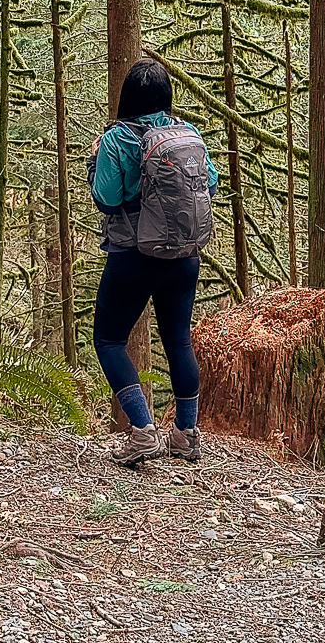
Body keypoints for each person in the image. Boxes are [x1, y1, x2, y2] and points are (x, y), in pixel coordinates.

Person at [86, 58, 218, 465]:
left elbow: (107, 198)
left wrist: (96, 164)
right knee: (178, 339)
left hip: (132, 255)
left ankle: (143, 432)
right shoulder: (187, 133)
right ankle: (186, 433)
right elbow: (209, 183)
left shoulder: (118, 139)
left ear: (127, 96)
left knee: (108, 340)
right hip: (183, 255)